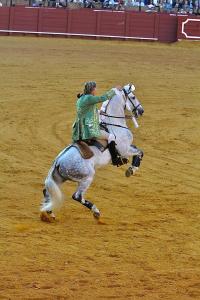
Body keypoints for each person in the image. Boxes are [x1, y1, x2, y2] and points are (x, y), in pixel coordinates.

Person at [72, 81, 123, 166]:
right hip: (88, 130)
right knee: (111, 136)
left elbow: (87, 111)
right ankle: (115, 160)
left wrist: (99, 112)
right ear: (92, 89)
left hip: (78, 130)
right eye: (95, 88)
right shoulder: (89, 98)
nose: (96, 90)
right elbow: (103, 98)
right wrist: (114, 90)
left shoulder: (82, 99)